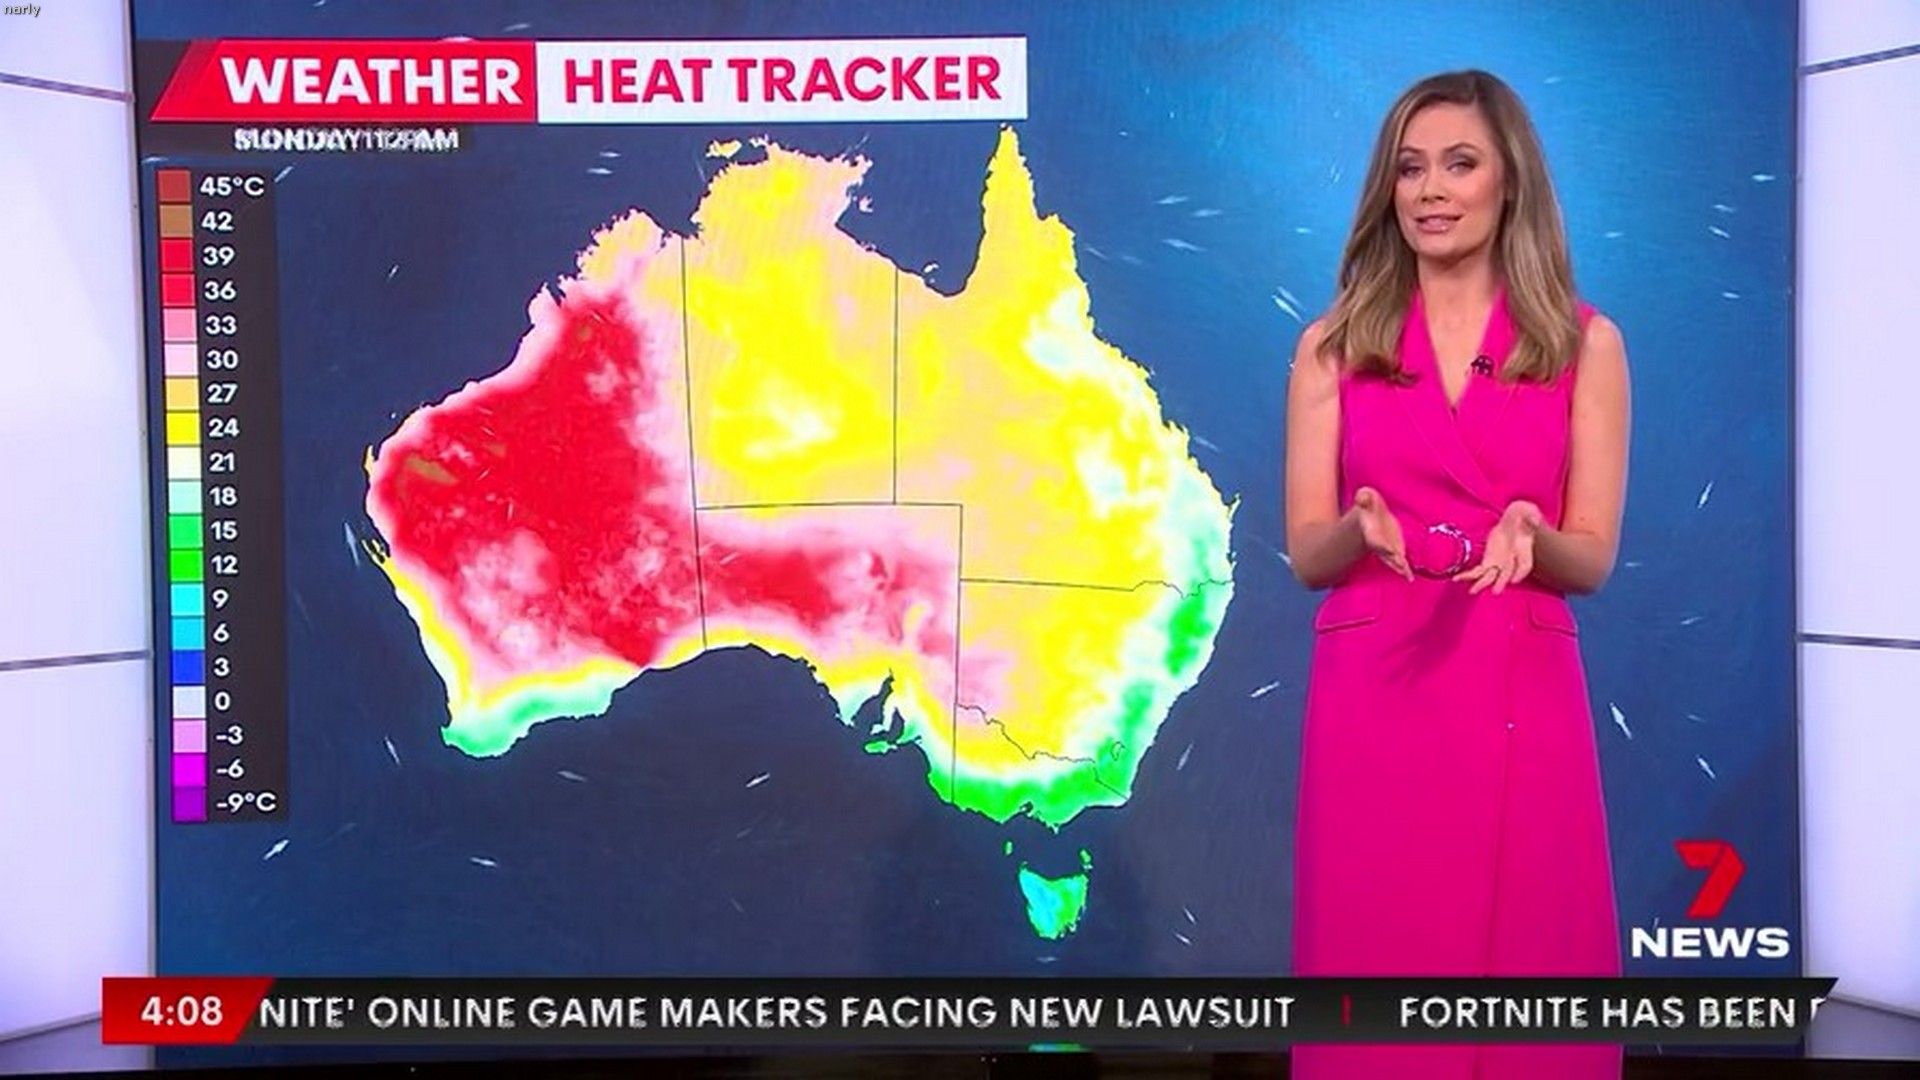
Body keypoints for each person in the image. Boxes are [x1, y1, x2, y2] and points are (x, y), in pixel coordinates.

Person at [1284, 69, 1631, 1078]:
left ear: (1508, 180)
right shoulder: (1332, 348)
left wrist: (1534, 533)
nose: (1431, 190)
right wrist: (1358, 526)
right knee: (1378, 969)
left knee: (1529, 975)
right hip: (1376, 692)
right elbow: (1306, 552)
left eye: (1460, 164)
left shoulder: (1583, 345)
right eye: (1410, 169)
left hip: (1520, 684)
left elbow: (1592, 555)